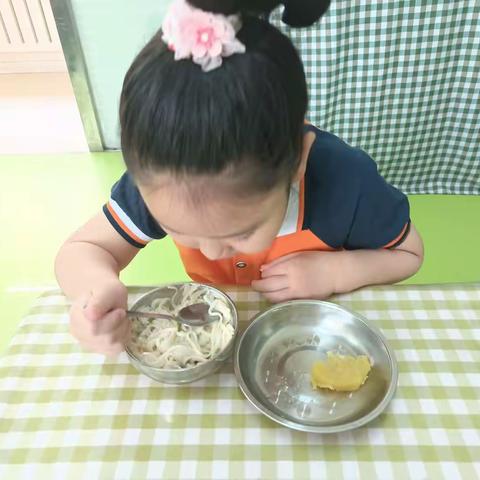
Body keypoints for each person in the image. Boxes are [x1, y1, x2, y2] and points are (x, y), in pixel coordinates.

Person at [55, 0, 423, 355]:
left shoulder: (346, 183)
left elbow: (408, 253)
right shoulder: (164, 176)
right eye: (181, 230)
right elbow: (82, 250)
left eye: (242, 233)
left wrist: (337, 271)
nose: (211, 252)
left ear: (297, 162)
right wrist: (95, 293)